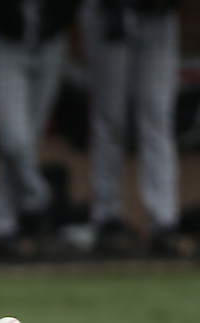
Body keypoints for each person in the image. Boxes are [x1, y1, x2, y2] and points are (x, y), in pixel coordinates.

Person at [79, 0, 194, 257]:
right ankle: (106, 217)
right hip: (109, 13)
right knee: (110, 121)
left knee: (157, 118)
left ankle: (164, 221)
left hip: (158, 16)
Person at [0, 0, 83, 259]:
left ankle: (3, 225)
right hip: (4, 44)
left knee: (27, 142)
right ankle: (38, 198)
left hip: (49, 45)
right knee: (13, 139)